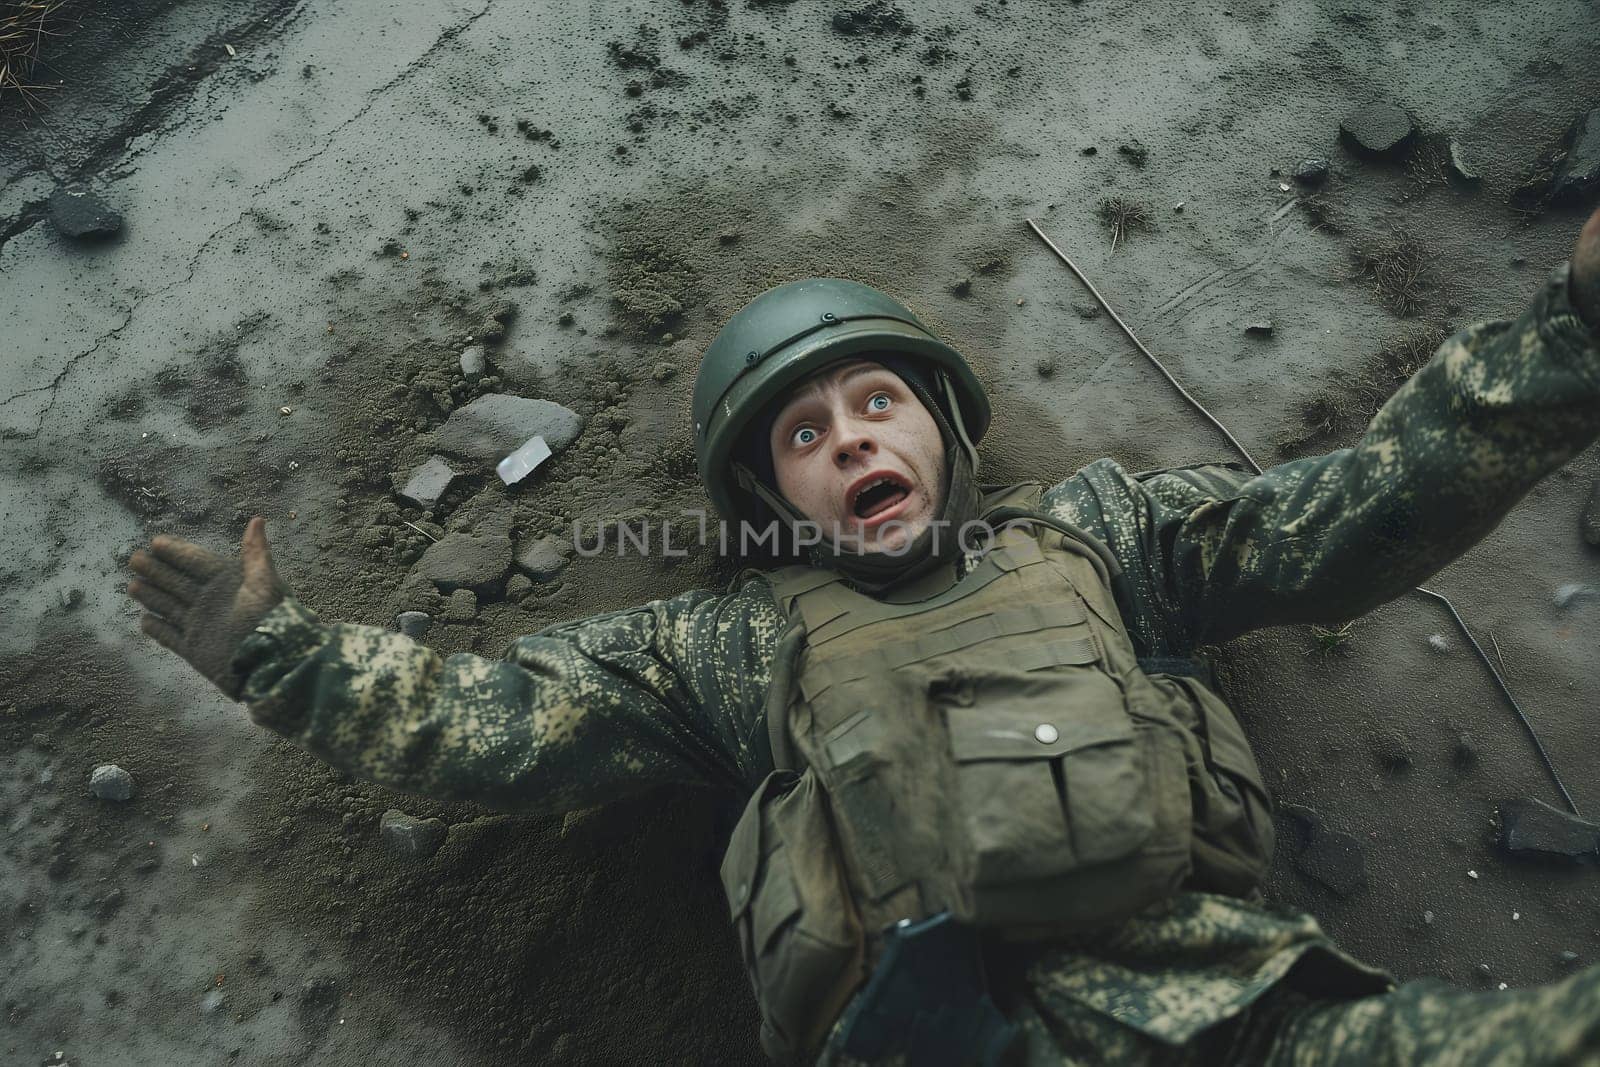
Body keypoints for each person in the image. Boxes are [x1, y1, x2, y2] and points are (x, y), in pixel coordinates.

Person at [128, 204, 1600, 1065]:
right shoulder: (728, 650)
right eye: (801, 434)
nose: (845, 441)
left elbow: (1361, 509)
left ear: (946, 428)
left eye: (875, 404)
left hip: (1242, 1024)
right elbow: (489, 731)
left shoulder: (1105, 538)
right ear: (770, 495)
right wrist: (281, 654)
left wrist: (1568, 339)